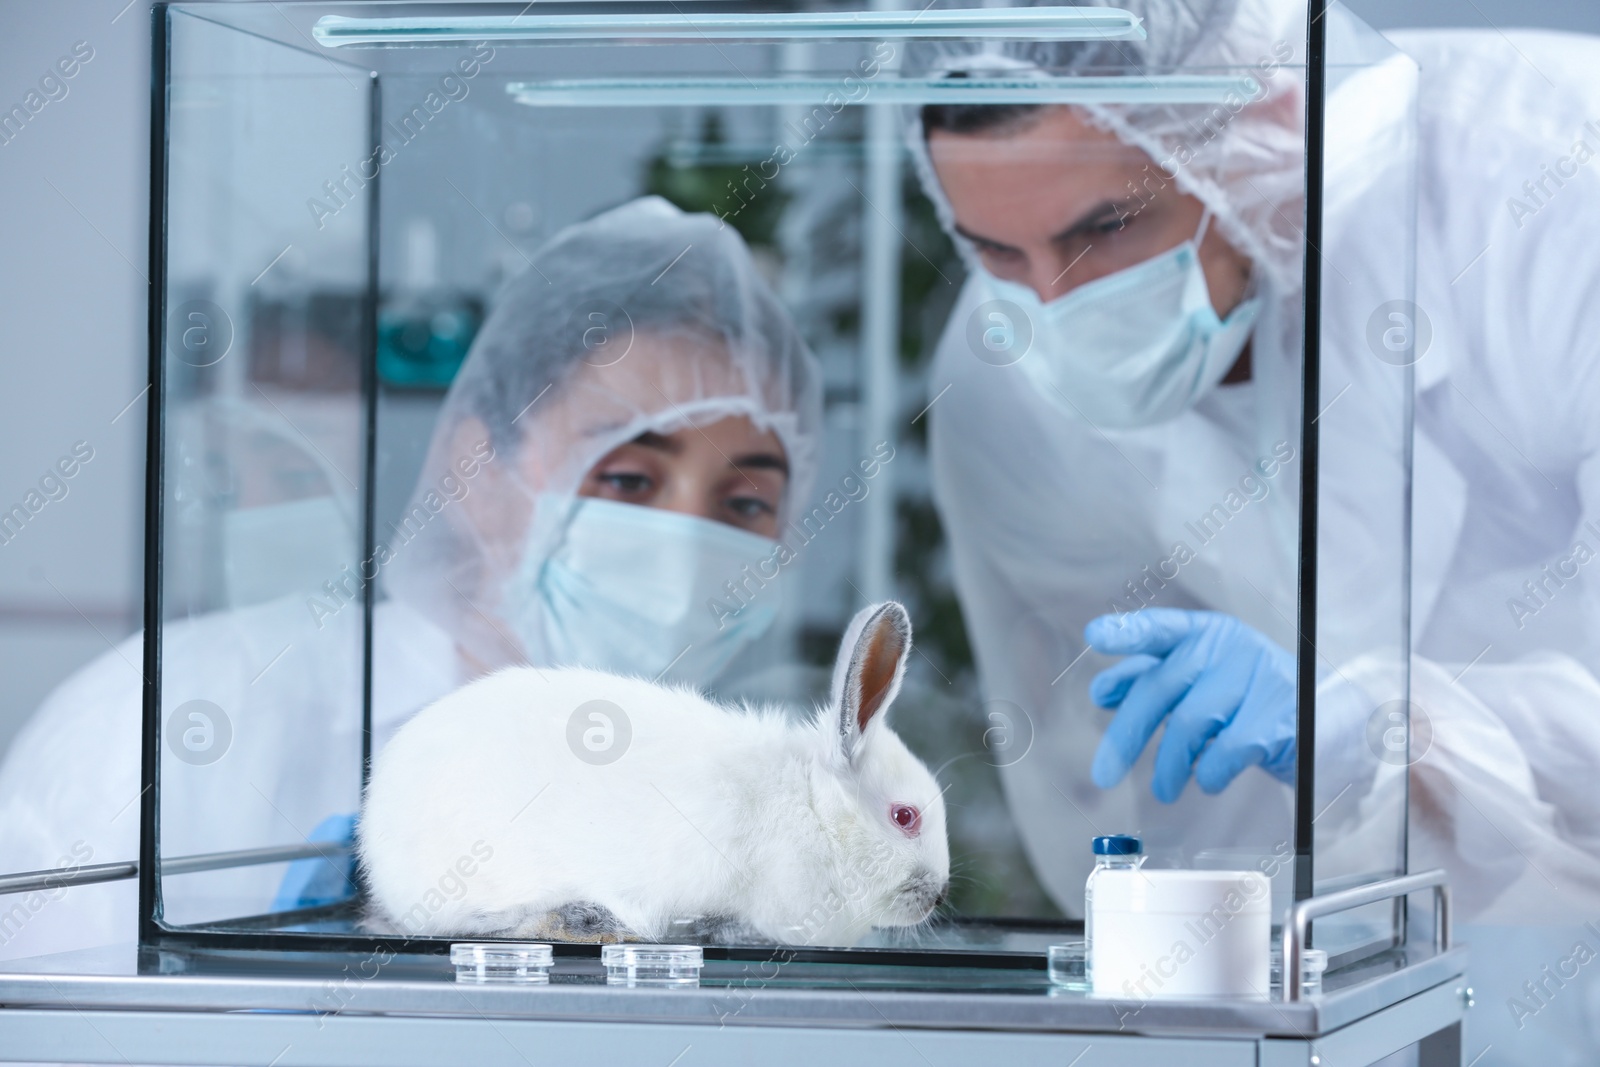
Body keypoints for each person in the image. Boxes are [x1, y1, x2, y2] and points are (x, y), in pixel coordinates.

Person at [907, 2, 1600, 1058]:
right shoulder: (1005, 386)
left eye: (1103, 229)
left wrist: (1384, 732)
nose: (1054, 303)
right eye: (995, 249)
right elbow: (1133, 827)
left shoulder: (1552, 190)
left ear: (1260, 123)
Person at [0, 196, 821, 957]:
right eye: (629, 481)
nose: (681, 547)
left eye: (746, 501)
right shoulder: (173, 719)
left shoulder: (744, 825)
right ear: (479, 469)